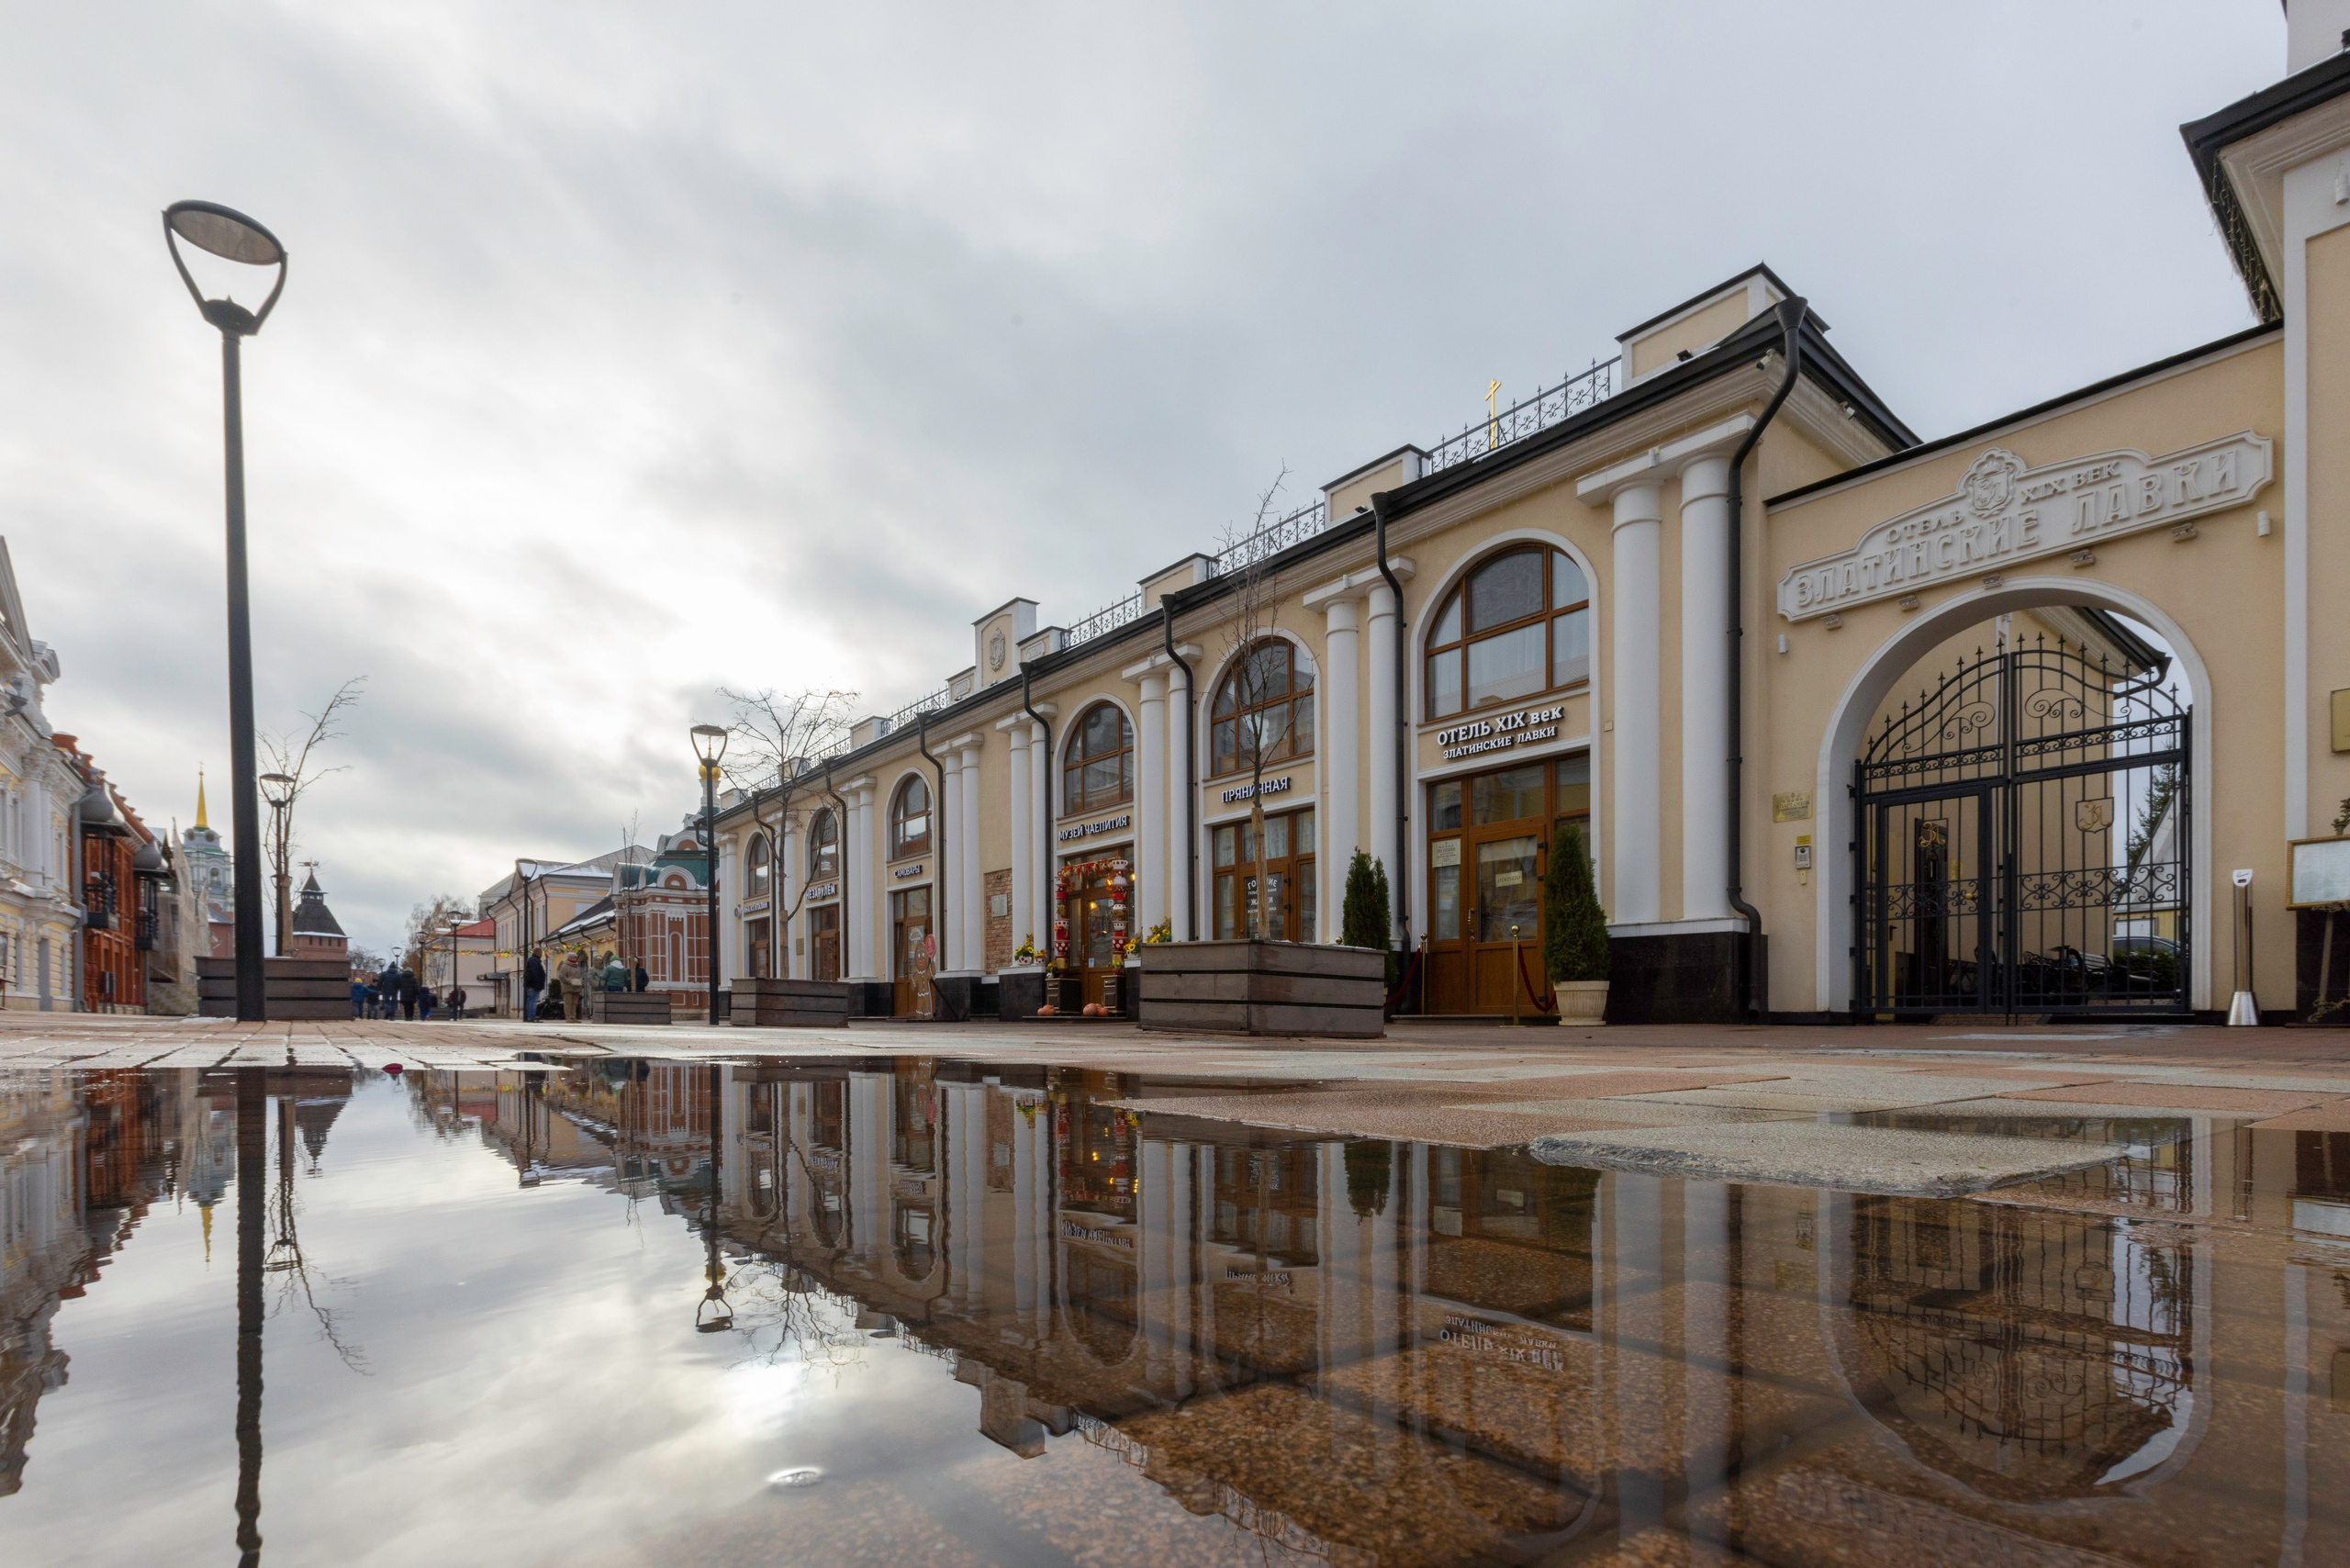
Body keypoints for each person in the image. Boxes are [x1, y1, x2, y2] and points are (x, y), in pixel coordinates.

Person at [556, 950, 587, 1022]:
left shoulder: (577, 966)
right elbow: (561, 976)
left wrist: (580, 982)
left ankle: (573, 1017)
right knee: (568, 1003)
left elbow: (579, 976)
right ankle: (568, 1017)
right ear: (570, 958)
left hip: (576, 988)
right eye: (574, 958)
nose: (575, 959)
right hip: (567, 988)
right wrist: (570, 981)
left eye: (576, 958)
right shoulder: (564, 966)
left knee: (574, 1003)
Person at [522, 951, 546, 1022]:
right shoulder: (534, 960)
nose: (542, 954)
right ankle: (531, 1017)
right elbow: (535, 973)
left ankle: (529, 1016)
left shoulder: (531, 960)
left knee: (530, 1000)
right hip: (533, 984)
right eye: (541, 953)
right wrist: (537, 984)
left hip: (530, 984)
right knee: (533, 1000)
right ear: (538, 953)